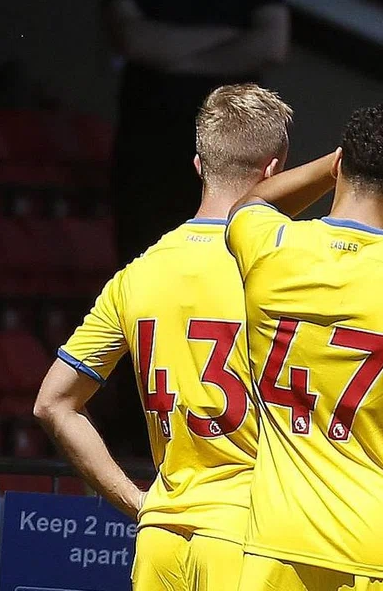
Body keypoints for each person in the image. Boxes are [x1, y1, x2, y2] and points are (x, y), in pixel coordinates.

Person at [33, 84, 298, 591]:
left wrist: (141, 503)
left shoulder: (140, 272)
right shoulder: (288, 265)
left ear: (198, 164)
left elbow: (52, 403)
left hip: (162, 540)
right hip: (255, 537)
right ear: (275, 170)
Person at [228, 104, 383, 591]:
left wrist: (339, 158)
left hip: (277, 540)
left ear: (338, 166)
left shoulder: (269, 246)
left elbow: (252, 202)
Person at [102, 0, 290, 456]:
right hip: (150, 147)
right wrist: (230, 44)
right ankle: (143, 428)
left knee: (240, 273)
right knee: (147, 280)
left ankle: (238, 418)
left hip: (235, 151)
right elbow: (131, 38)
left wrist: (170, 53)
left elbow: (273, 40)